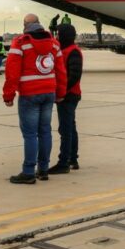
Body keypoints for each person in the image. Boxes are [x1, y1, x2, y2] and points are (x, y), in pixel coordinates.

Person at [4, 14, 66, 184]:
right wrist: (60, 93)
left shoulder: (21, 42)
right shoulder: (54, 43)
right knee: (45, 131)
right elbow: (60, 70)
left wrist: (8, 95)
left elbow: (12, 71)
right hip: (49, 92)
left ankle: (28, 171)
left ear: (25, 25)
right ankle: (44, 169)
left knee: (30, 134)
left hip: (29, 94)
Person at [48, 24, 82, 174]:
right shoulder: (64, 50)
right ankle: (73, 158)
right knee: (70, 128)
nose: (57, 37)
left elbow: (74, 76)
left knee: (65, 129)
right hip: (67, 94)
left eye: (59, 34)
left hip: (68, 95)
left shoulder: (73, 52)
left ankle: (64, 162)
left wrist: (61, 92)